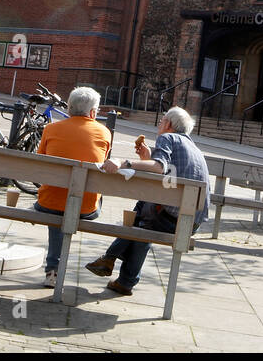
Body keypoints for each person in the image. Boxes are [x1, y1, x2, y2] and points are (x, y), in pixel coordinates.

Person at [88, 107, 210, 296]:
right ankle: (121, 277)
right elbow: (168, 172)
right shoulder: (195, 148)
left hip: (171, 219)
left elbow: (159, 167)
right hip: (192, 223)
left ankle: (111, 259)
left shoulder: (168, 138)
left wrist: (123, 162)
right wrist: (147, 158)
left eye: (162, 120)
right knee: (143, 218)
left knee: (140, 217)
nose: (159, 124)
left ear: (169, 124)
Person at [33, 86, 112, 288]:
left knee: (58, 199)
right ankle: (55, 269)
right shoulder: (104, 133)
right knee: (76, 198)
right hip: (85, 209)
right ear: (93, 112)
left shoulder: (50, 129)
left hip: (48, 203)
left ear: (68, 108)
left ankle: (53, 270)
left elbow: (40, 164)